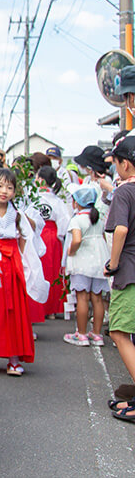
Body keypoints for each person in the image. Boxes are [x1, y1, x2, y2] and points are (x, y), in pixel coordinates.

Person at [0, 167, 45, 376]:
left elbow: (26, 240)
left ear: (15, 192)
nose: (4, 191)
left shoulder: (18, 215)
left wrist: (26, 266)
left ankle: (14, 358)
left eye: (9, 187)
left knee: (14, 313)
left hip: (11, 267)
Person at [105, 135, 135, 418]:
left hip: (130, 271)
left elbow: (121, 230)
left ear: (124, 164)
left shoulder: (125, 192)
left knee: (119, 331)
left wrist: (112, 264)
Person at [63, 184, 108, 347]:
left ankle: (81, 334)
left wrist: (70, 251)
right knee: (97, 298)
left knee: (82, 297)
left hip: (82, 261)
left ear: (76, 202)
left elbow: (76, 239)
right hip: (99, 259)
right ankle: (96, 334)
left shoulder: (77, 219)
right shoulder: (99, 218)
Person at [34, 166, 71, 318]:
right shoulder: (57, 201)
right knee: (52, 271)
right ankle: (52, 309)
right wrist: (60, 236)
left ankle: (40, 307)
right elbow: (65, 222)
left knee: (39, 271)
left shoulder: (35, 197)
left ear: (41, 179)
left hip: (39, 233)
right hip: (53, 236)